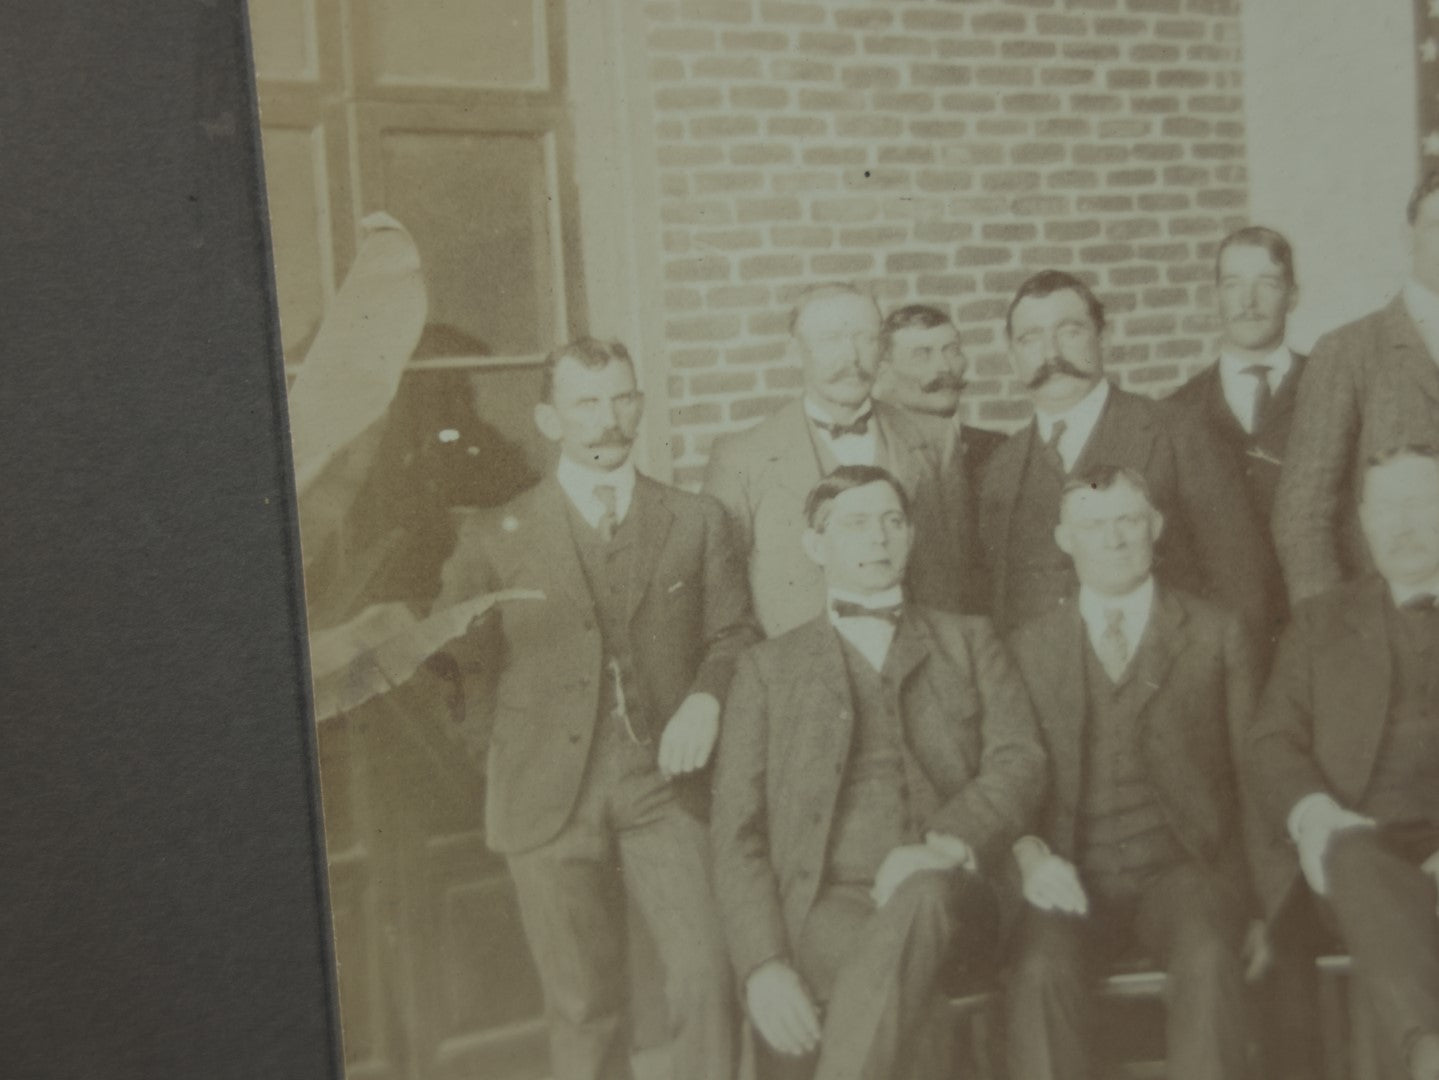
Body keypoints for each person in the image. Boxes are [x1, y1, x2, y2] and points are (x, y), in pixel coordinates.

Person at [432, 338, 757, 1080]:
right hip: (545, 792)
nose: (607, 420)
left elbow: (734, 633)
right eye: (585, 402)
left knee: (707, 977)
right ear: (549, 420)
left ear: (639, 404)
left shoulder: (695, 519)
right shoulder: (494, 535)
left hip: (665, 785)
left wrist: (707, 697)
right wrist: (501, 751)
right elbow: (453, 667)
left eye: (620, 398)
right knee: (582, 1006)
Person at [710, 465, 1046, 1080]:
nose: (878, 539)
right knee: (904, 1003)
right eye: (856, 524)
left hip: (957, 891)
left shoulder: (968, 640)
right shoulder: (767, 670)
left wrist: (942, 844)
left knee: (919, 901)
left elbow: (1019, 760)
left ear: (912, 538)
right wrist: (761, 964)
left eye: (893, 522)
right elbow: (737, 832)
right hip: (828, 901)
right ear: (816, 545)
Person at [1003, 466, 1265, 1080]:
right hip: (1070, 873)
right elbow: (1008, 779)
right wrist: (1030, 857)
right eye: (1093, 525)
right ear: (1065, 539)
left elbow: (1255, 780)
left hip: (1182, 872)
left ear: (1157, 526)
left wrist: (1262, 908)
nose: (1114, 539)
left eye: (1128, 520)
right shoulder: (1027, 647)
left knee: (1207, 955)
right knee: (1038, 973)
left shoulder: (1214, 632)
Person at [1248, 445, 1439, 1080]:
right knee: (1352, 856)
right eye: (1386, 509)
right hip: (1360, 848)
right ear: (1362, 520)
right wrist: (1314, 813)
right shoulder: (1322, 622)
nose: (1402, 525)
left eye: (1419, 504)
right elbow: (1272, 741)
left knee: (1382, 921)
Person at [978, 269, 1270, 634]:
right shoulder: (1000, 467)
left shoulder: (1179, 435)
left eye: (1070, 332)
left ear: (1104, 338)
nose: (1050, 354)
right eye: (1030, 339)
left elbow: (1242, 584)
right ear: (1011, 356)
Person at [703, 284, 977, 636]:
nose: (851, 357)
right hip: (799, 680)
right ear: (795, 351)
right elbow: (723, 608)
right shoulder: (740, 456)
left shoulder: (935, 441)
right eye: (832, 339)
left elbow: (960, 576)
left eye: (865, 338)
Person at [1274, 171, 1439, 605]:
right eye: (1437, 227)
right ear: (1409, 237)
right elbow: (1303, 515)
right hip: (1388, 626)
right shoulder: (1350, 352)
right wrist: (1334, 637)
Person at [1165, 226, 1305, 643]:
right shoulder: (1176, 411)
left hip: (1316, 627)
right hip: (1224, 638)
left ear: (1293, 296)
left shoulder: (1331, 386)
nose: (1248, 302)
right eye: (1233, 285)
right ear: (1215, 298)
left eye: (1267, 283)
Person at [873, 302, 1006, 478]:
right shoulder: (876, 453)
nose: (944, 367)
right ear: (885, 375)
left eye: (952, 351)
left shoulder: (1002, 451)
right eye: (922, 354)